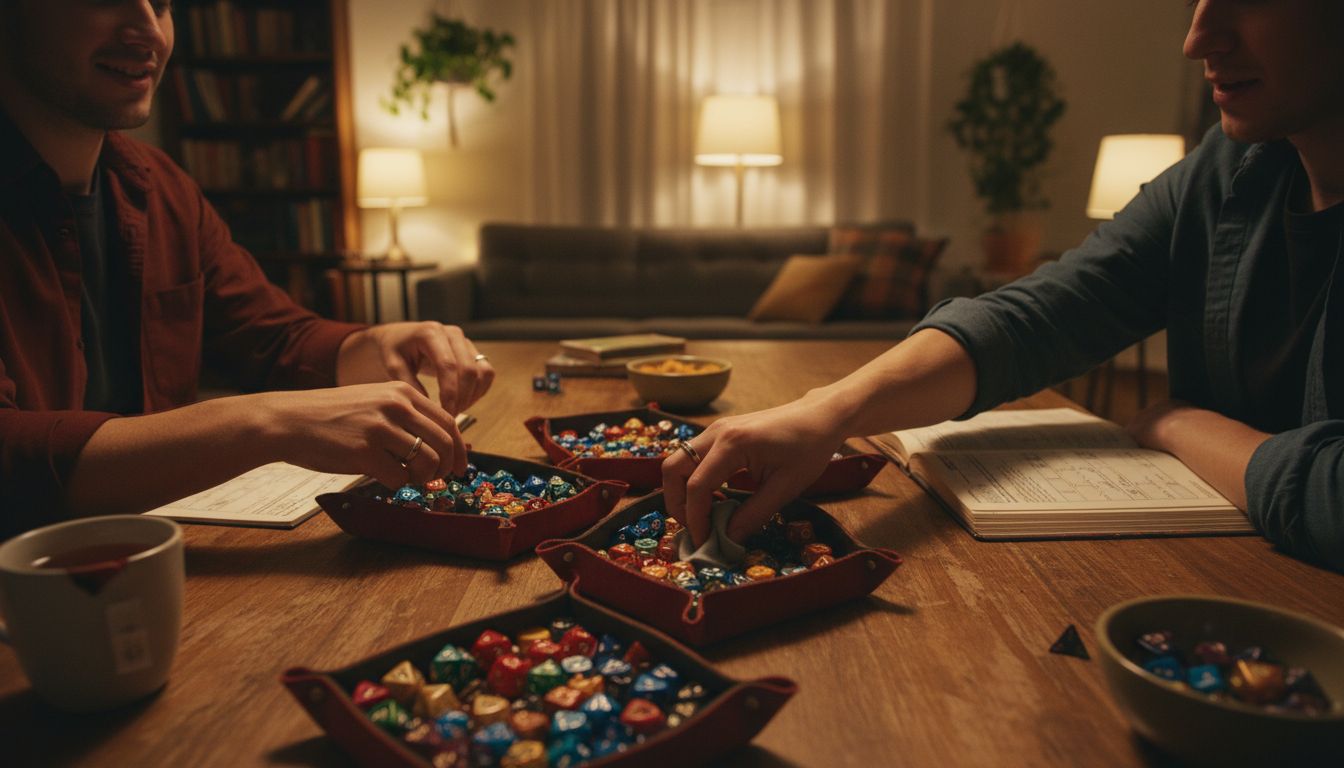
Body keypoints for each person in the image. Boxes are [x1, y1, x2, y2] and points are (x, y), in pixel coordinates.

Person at [663, 0, 1344, 571]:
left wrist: (1178, 422)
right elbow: (1037, 318)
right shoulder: (1227, 169)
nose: (1198, 38)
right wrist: (828, 412)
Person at [0, 0, 494, 538]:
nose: (149, 30)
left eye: (161, 4)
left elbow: (273, 338)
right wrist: (268, 422)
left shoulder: (160, 186)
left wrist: (376, 343)